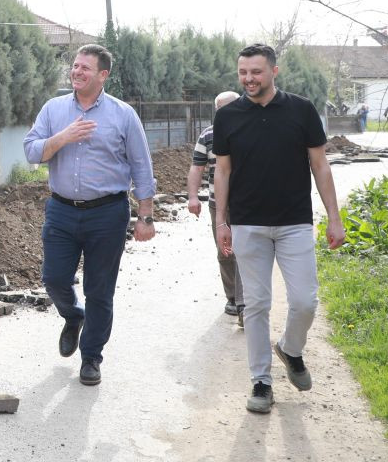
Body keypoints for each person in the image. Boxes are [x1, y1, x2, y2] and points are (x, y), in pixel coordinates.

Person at [214, 43, 346, 414]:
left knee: (305, 300)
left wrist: (334, 218)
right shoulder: (228, 116)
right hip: (247, 223)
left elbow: (320, 165)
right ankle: (261, 381)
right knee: (255, 304)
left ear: (274, 71)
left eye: (255, 72)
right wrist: (222, 221)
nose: (248, 79)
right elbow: (222, 171)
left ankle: (290, 348)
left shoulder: (301, 110)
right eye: (243, 72)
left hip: (294, 223)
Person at [24, 43, 156, 387]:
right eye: (75, 66)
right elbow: (31, 151)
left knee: (100, 289)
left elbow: (141, 166)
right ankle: (73, 315)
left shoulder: (122, 114)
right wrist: (62, 138)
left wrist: (145, 215)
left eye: (85, 68)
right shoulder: (54, 110)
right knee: (53, 278)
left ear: (103, 75)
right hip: (62, 210)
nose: (76, 72)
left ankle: (91, 357)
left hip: (107, 213)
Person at [187, 91, 245, 321]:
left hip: (248, 203)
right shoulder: (208, 135)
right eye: (222, 109)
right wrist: (193, 196)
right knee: (226, 252)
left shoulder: (250, 130)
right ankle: (233, 297)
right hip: (217, 203)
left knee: (247, 251)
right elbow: (196, 167)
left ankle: (245, 302)